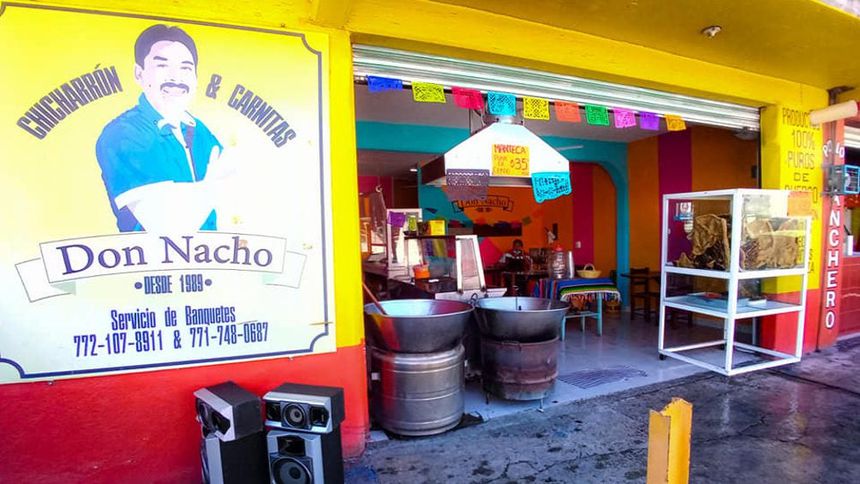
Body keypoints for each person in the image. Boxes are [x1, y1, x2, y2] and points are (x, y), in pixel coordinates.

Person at [96, 24, 232, 233]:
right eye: (162, 65)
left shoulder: (200, 132)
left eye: (186, 68)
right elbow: (166, 228)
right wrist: (215, 185)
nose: (176, 78)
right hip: (147, 255)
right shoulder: (123, 134)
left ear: (196, 78)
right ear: (139, 74)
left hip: (210, 253)